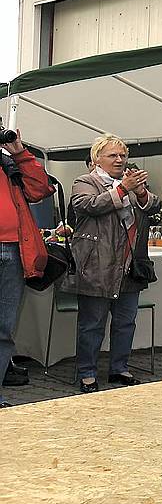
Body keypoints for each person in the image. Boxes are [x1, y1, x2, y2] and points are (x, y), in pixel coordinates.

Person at [69, 134, 161, 392]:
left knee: (125, 322)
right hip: (97, 265)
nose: (119, 160)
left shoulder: (130, 184)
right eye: (113, 155)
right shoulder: (85, 181)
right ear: (98, 158)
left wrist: (141, 192)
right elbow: (89, 205)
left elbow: (154, 205)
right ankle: (87, 372)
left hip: (129, 265)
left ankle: (119, 368)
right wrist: (122, 189)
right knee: (92, 324)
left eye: (123, 155)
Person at [0, 127, 52, 409]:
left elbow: (39, 189)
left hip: (13, 250)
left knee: (4, 329)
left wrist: (19, 152)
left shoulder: (9, 163)